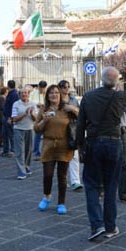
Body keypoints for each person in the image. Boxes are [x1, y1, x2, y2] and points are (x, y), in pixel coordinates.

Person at [76, 66, 126, 241]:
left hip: (94, 143)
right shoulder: (119, 97)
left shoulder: (88, 97)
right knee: (112, 185)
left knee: (91, 185)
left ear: (101, 79)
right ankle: (110, 226)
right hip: (113, 142)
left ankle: (96, 225)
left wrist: (80, 146)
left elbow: (80, 124)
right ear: (116, 81)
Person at [34, 85, 75, 214]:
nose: (54, 95)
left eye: (56, 92)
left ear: (60, 95)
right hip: (48, 145)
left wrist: (73, 108)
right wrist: (44, 122)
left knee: (62, 177)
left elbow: (82, 117)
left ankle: (61, 203)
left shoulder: (67, 109)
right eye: (51, 93)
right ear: (47, 96)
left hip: (64, 146)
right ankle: (47, 196)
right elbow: (36, 128)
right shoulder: (43, 110)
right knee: (48, 175)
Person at [58, 80, 82, 191]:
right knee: (62, 157)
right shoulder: (56, 100)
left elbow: (80, 114)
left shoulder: (73, 100)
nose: (66, 88)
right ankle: (63, 179)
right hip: (60, 130)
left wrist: (72, 109)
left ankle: (75, 181)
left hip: (73, 129)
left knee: (74, 156)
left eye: (67, 86)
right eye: (63, 87)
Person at [12, 87, 37, 179]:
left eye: (25, 93)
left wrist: (32, 114)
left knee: (28, 150)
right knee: (19, 151)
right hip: (18, 129)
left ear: (28, 94)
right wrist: (25, 114)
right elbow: (14, 119)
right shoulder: (16, 104)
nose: (24, 94)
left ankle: (26, 166)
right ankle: (21, 172)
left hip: (29, 129)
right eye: (22, 93)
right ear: (19, 94)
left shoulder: (33, 104)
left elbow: (36, 119)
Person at [2, 80, 19, 157]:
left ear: (8, 85)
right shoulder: (12, 93)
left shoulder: (14, 94)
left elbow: (13, 107)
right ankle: (6, 150)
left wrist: (10, 118)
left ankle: (13, 150)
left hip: (8, 117)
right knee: (5, 134)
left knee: (10, 134)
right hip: (6, 116)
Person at [30, 81, 47, 160]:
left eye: (43, 89)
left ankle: (46, 152)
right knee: (37, 135)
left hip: (46, 115)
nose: (42, 90)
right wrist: (37, 103)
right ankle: (36, 152)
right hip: (38, 116)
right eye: (40, 88)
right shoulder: (33, 93)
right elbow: (30, 101)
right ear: (38, 87)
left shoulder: (47, 93)